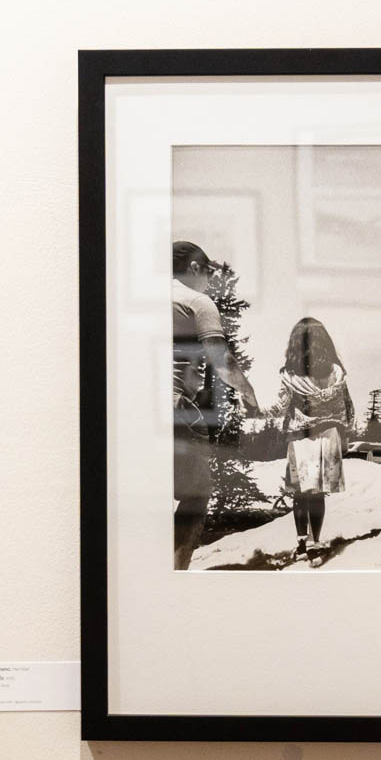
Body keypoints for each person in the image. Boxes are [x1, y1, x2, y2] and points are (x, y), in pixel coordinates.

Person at [172, 240, 259, 570]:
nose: (209, 280)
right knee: (195, 494)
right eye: (207, 272)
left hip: (133, 410)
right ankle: (176, 572)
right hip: (177, 409)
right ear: (194, 268)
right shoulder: (197, 301)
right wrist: (248, 393)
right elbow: (221, 361)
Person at [271, 317, 355, 566]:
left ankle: (301, 546)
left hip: (300, 436)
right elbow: (347, 407)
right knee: (317, 494)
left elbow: (279, 408)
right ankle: (316, 546)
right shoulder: (336, 372)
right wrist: (346, 434)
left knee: (300, 493)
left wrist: (254, 410)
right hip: (328, 434)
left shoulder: (291, 376)